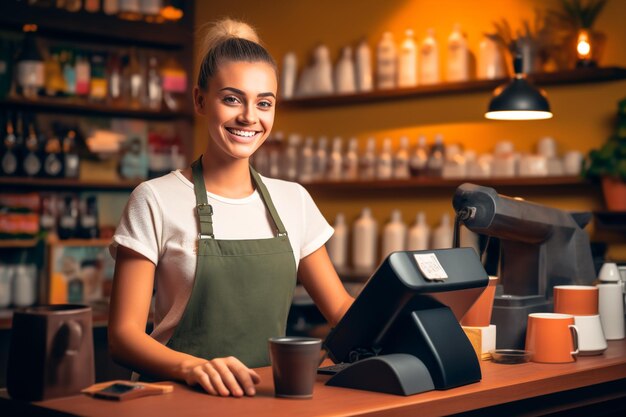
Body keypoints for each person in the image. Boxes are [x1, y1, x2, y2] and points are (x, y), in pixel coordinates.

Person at [107, 18, 354, 398]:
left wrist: (410, 323)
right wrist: (195, 367)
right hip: (175, 399)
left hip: (268, 398)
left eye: (264, 103)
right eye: (232, 98)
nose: (249, 117)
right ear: (200, 100)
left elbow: (340, 308)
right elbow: (123, 337)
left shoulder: (294, 200)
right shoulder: (155, 199)